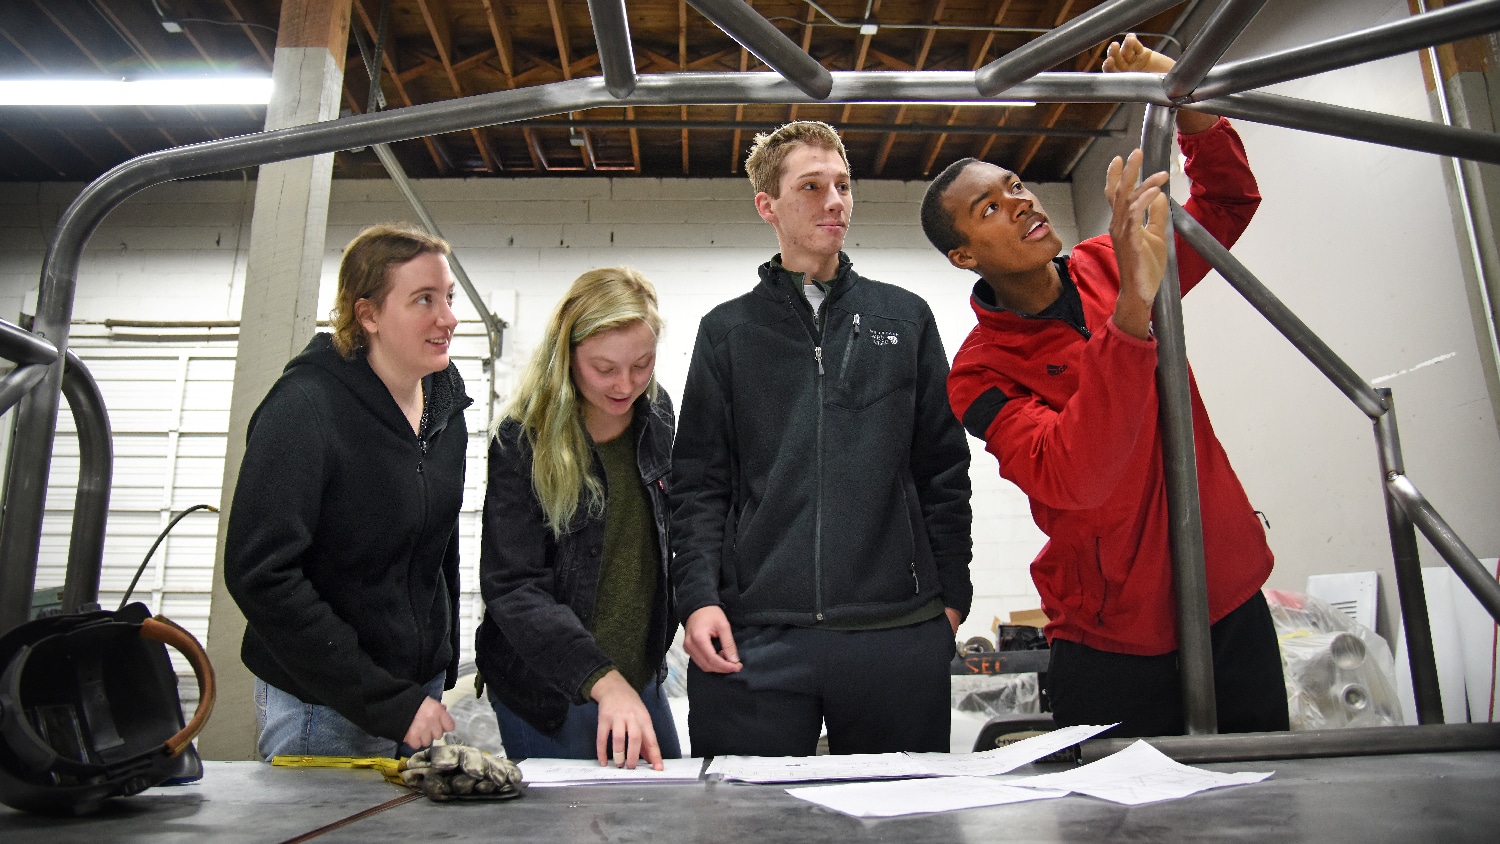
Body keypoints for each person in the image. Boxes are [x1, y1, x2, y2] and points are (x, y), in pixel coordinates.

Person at [923, 35, 1289, 738]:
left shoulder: (1114, 261)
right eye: (990, 209)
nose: (1021, 204)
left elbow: (1230, 200)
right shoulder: (977, 373)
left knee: (1260, 802)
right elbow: (1076, 475)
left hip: (1225, 593)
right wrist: (1131, 313)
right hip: (1111, 635)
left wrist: (1181, 102)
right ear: (964, 255)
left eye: (1017, 187)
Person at [671, 120, 973, 757]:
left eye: (842, 185)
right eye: (811, 186)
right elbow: (699, 486)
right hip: (756, 639)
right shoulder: (727, 332)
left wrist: (951, 600)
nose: (835, 201)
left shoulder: (905, 317)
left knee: (903, 827)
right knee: (748, 827)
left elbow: (943, 469)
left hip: (897, 632)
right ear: (768, 205)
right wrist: (698, 600)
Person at [226, 223, 471, 758]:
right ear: (369, 315)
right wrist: (384, 700)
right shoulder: (304, 408)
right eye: (424, 300)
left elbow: (435, 550)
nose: (448, 318)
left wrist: (438, 662)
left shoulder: (446, 413)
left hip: (417, 697)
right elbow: (261, 575)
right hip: (322, 707)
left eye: (448, 297)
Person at [475, 267, 681, 770]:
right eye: (604, 368)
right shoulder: (521, 439)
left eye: (642, 364)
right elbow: (514, 588)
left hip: (639, 677)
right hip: (550, 689)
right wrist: (603, 682)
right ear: (566, 357)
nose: (626, 384)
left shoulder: (656, 413)